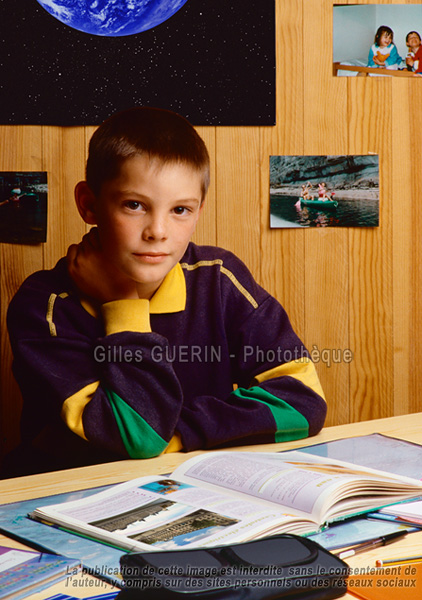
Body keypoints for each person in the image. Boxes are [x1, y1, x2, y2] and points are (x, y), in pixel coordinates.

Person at [3, 107, 326, 477]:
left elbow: (304, 402)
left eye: (180, 210)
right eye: (134, 205)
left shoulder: (219, 278)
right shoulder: (44, 306)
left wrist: (175, 434)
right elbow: (139, 438)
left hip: (189, 486)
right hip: (64, 498)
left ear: (200, 211)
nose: (157, 230)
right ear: (89, 205)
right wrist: (124, 305)